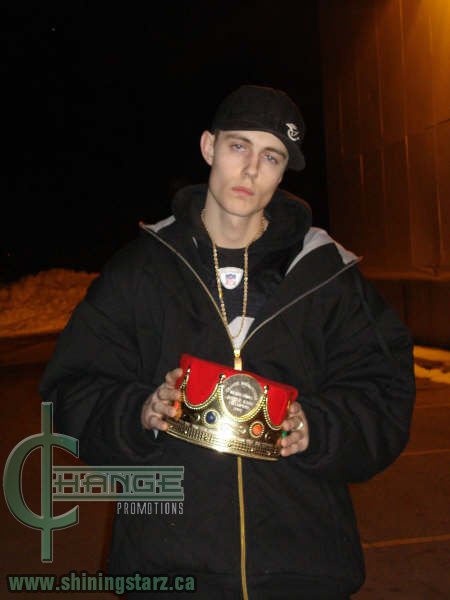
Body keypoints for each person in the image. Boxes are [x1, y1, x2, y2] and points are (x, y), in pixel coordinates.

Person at [40, 84, 415, 599]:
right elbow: (69, 390)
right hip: (167, 570)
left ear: (282, 172)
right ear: (209, 147)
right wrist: (138, 412)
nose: (252, 169)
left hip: (302, 570)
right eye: (239, 146)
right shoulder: (141, 271)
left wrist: (319, 429)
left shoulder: (326, 275)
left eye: (271, 157)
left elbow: (384, 392)